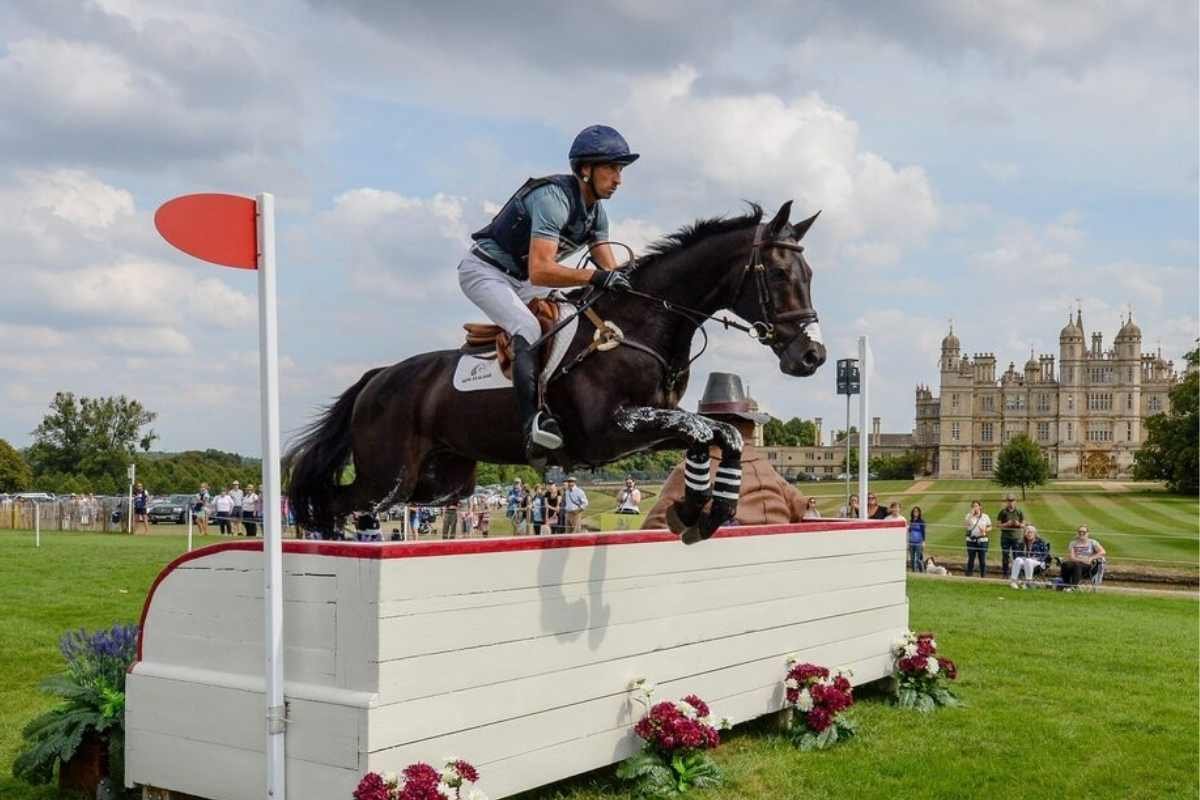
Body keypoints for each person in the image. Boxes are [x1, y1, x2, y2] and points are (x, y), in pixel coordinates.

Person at [459, 125, 637, 459]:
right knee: (527, 327)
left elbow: (609, 270)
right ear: (586, 169)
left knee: (570, 320)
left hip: (524, 280)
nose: (618, 179)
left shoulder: (596, 213)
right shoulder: (552, 198)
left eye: (621, 170)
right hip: (486, 271)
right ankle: (533, 424)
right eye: (612, 168)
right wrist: (597, 277)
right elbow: (541, 270)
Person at [644, 373, 807, 532]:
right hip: (778, 545)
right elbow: (802, 507)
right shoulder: (766, 469)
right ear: (748, 425)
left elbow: (655, 529)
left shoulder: (689, 470)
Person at [1061, 525, 1105, 589]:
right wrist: (1082, 560)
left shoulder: (1092, 542)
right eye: (1080, 532)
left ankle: (1074, 587)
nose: (1081, 533)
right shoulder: (1073, 543)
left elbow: (1102, 552)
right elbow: (1072, 557)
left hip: (1088, 566)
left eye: (1084, 532)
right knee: (1065, 564)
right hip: (1076, 562)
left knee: (1077, 565)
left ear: (1087, 533)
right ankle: (1066, 584)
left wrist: (1091, 558)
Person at [1009, 524, 1051, 589]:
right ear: (1025, 534)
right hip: (1025, 561)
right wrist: (1024, 558)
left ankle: (1028, 583)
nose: (1029, 534)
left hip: (1038, 563)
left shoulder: (1040, 541)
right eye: (1027, 532)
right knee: (1018, 560)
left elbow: (1045, 555)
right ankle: (1013, 581)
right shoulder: (1021, 543)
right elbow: (1018, 554)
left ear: (1035, 533)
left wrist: (1035, 558)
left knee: (1028, 561)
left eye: (1031, 532)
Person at [997, 493, 1025, 578]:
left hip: (1017, 537)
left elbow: (1024, 524)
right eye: (1009, 500)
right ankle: (1005, 574)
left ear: (1015, 501)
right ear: (1007, 502)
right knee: (1005, 555)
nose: (1011, 502)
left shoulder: (1019, 512)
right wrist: (1006, 524)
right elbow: (998, 525)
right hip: (1005, 537)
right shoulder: (1003, 512)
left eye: (1012, 500)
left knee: (1017, 556)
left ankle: (1016, 574)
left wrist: (1018, 524)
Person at [964, 500, 992, 578]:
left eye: (976, 506)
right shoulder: (968, 516)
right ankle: (969, 576)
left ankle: (983, 576)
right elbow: (966, 525)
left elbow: (990, 527)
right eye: (973, 506)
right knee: (971, 559)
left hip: (982, 540)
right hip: (971, 540)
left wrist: (985, 530)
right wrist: (971, 515)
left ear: (980, 507)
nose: (975, 508)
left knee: (982, 560)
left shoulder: (985, 516)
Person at [907, 506, 926, 572]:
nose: (915, 512)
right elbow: (909, 531)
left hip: (918, 543)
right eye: (914, 511)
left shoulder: (921, 521)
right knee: (912, 559)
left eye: (917, 511)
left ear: (919, 512)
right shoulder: (911, 521)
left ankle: (922, 571)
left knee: (918, 559)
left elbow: (923, 532)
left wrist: (923, 541)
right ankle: (914, 571)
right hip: (911, 542)